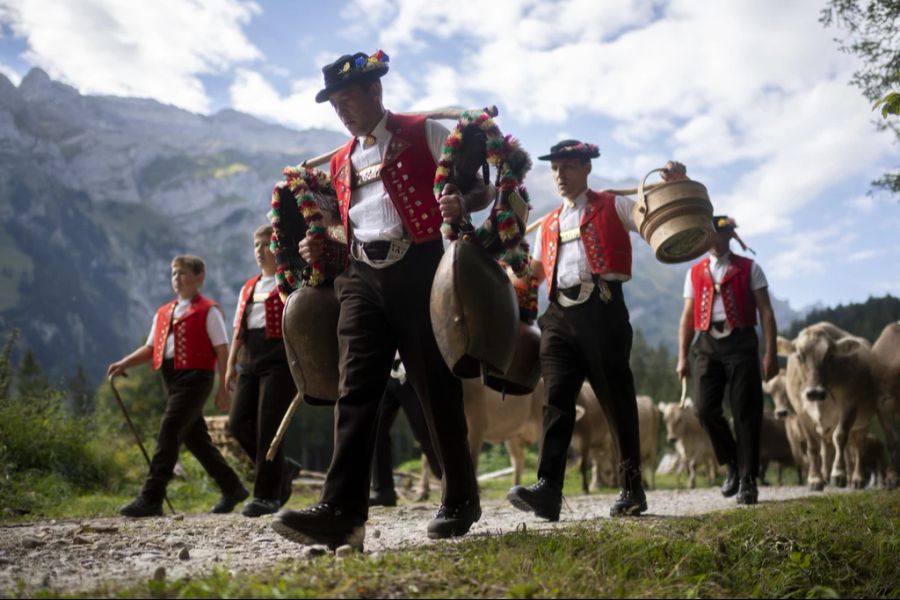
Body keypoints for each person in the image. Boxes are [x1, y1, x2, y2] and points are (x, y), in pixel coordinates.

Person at [271, 50, 492, 549]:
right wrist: (317, 244)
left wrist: (460, 200)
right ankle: (343, 511)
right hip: (359, 277)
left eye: (348, 98)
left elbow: (481, 191)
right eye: (335, 104)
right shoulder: (337, 163)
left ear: (376, 91)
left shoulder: (426, 132)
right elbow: (339, 223)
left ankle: (460, 496)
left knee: (435, 385)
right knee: (355, 391)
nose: (343, 111)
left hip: (420, 267)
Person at [507, 140, 686, 519]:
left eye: (569, 166)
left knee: (616, 402)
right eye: (556, 168)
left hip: (602, 311)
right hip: (558, 317)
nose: (560, 174)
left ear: (586, 168)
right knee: (555, 402)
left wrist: (672, 186)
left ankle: (632, 488)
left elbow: (654, 219)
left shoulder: (616, 205)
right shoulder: (549, 224)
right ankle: (549, 490)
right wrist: (504, 265)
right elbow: (534, 274)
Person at [107, 255, 248, 517]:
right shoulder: (163, 313)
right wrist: (124, 362)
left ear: (199, 278)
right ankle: (232, 487)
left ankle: (151, 497)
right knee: (196, 440)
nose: (177, 279)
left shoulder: (209, 310)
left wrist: (223, 389)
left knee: (169, 430)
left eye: (182, 273)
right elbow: (150, 348)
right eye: (174, 274)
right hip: (170, 379)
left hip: (197, 378)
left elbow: (222, 350)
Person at [676, 215, 778, 505]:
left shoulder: (750, 268)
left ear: (731, 237)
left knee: (745, 412)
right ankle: (732, 463)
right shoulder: (694, 273)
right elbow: (687, 316)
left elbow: (766, 313)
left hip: (742, 341)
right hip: (706, 343)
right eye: (711, 235)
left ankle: (748, 480)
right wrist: (683, 356)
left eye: (722, 235)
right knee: (705, 408)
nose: (716, 240)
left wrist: (770, 353)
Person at [225, 225, 300, 517]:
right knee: (238, 423)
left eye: (266, 244)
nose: (259, 250)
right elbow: (238, 331)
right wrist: (231, 365)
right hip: (250, 359)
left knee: (268, 425)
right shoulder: (248, 287)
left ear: (278, 247)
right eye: (256, 245)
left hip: (280, 360)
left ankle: (266, 496)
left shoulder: (290, 281)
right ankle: (284, 469)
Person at [369, 356, 442, 507]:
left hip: (411, 365)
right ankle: (383, 491)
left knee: (424, 429)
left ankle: (453, 482)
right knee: (376, 427)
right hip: (385, 368)